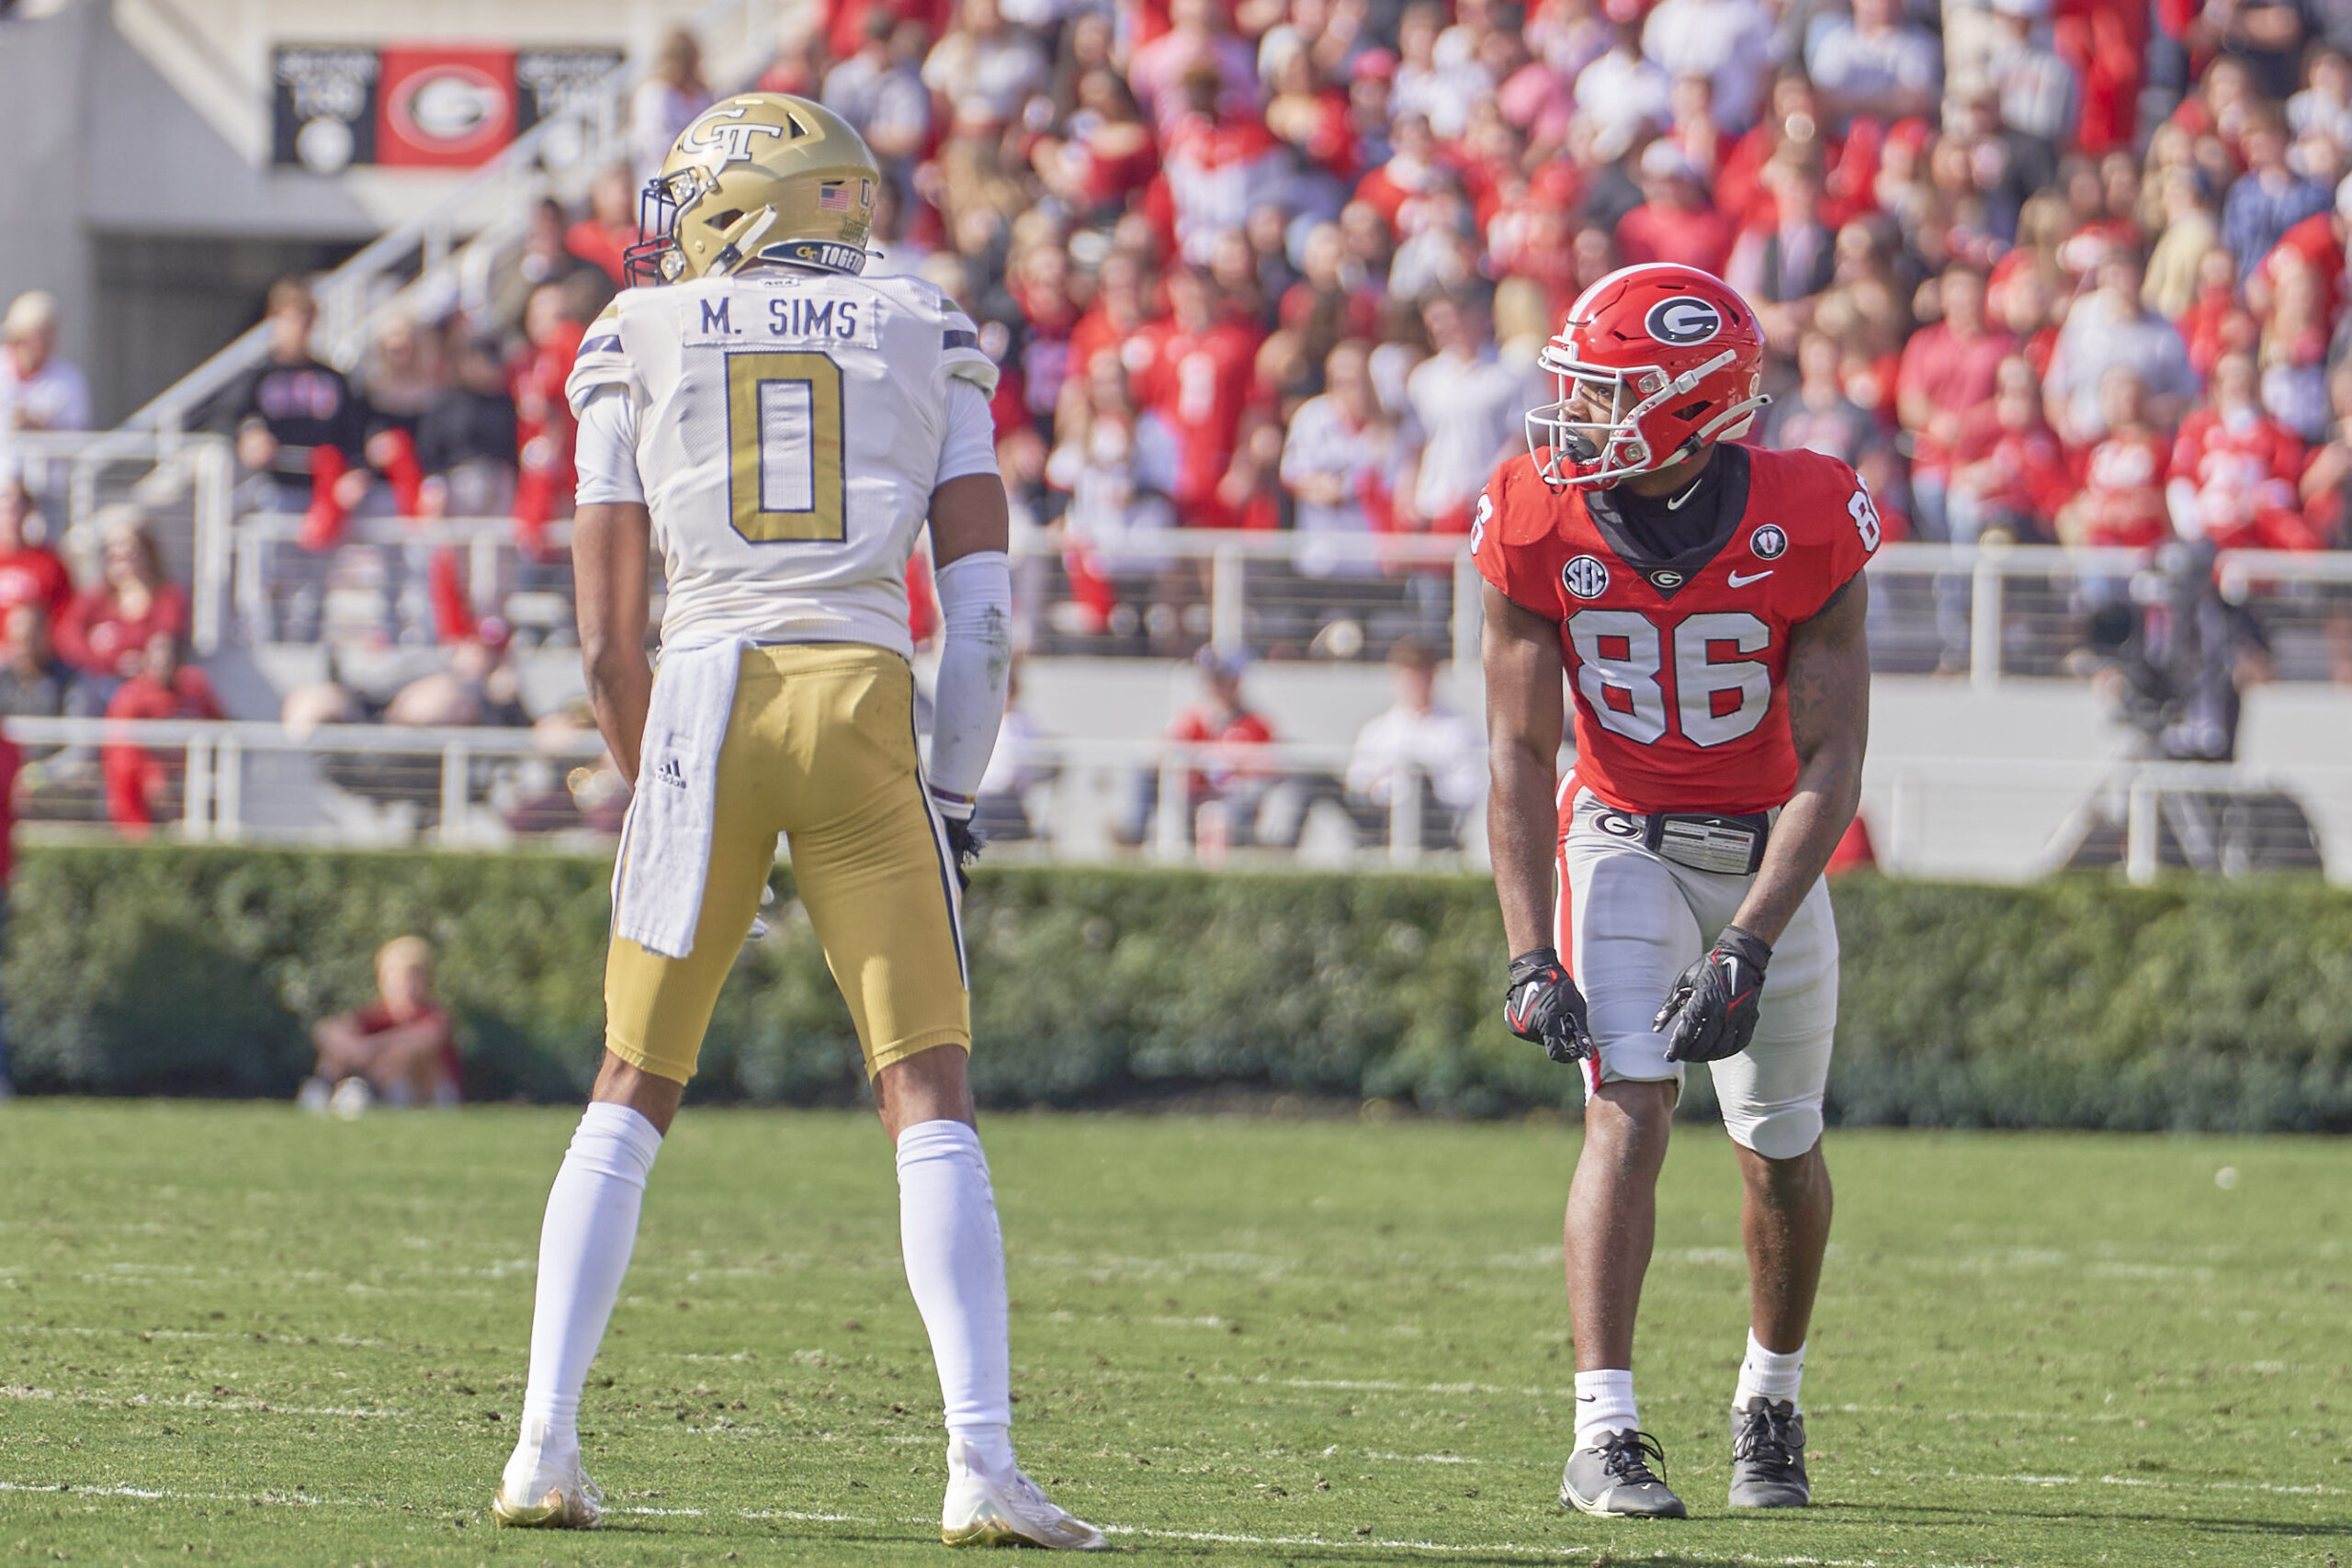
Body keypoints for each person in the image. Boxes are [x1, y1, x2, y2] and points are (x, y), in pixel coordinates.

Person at [490, 94, 1102, 1550]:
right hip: (861, 692)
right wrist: (950, 797)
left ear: (745, 202)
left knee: (630, 1084)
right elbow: (991, 619)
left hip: (700, 690)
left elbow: (600, 634)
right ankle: (978, 1461)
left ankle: (541, 1444)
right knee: (926, 1094)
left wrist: (657, 790)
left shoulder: (632, 332)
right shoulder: (926, 321)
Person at [1480, 263, 1872, 1518]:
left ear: (1694, 405)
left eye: (1608, 393)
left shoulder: (1809, 512)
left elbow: (1833, 758)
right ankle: (1606, 1426)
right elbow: (1517, 751)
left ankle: (1772, 1393)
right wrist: (1527, 949)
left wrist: (1751, 942)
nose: (1576, 416)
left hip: (1769, 849)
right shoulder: (1538, 509)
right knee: (1629, 1106)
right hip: (1620, 841)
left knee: (1779, 1148)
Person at [296, 936, 463, 1115]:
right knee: (338, 1052)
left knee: (400, 1055)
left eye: (413, 977)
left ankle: (379, 1096)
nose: (405, 985)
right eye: (396, 976)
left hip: (432, 1096)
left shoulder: (434, 1015)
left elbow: (426, 1038)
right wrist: (352, 1048)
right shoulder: (374, 1014)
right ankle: (325, 1090)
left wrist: (371, 1048)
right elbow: (325, 1030)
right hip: (380, 1077)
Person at [1343, 636, 1483, 849]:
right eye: (1408, 679)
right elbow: (1357, 779)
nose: (1413, 687)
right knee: (1314, 782)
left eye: (1420, 678)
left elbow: (1468, 787)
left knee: (1419, 783)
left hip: (1433, 819)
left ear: (1433, 677)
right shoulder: (1378, 729)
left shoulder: (1458, 729)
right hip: (1380, 814)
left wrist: (1419, 782)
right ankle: (1280, 849)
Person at [99, 632, 223, 836]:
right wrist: (152, 772)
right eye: (158, 663)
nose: (163, 669)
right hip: (146, 779)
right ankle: (138, 836)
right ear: (146, 662)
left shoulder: (196, 689)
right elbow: (120, 749)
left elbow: (220, 725)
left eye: (169, 662)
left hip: (190, 773)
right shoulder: (131, 697)